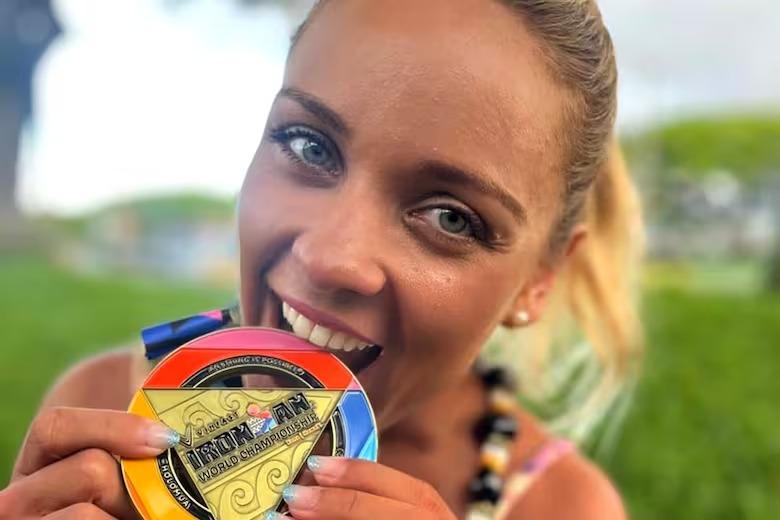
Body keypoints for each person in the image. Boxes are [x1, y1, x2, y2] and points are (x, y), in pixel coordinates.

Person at [0, 0, 644, 518]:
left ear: (539, 281)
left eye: (451, 217)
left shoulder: (562, 506)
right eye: (309, 145)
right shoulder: (102, 414)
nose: (329, 257)